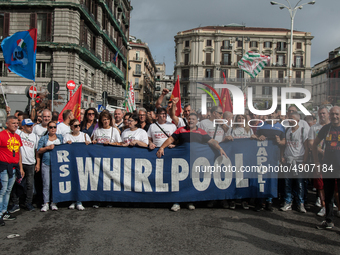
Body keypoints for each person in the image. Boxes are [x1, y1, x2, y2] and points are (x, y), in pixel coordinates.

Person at [156, 113, 228, 212]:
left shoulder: (201, 132)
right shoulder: (180, 130)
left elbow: (211, 141)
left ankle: (190, 201)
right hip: (181, 161)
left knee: (191, 182)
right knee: (179, 182)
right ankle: (177, 202)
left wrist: (219, 148)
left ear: (197, 121)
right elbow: (171, 139)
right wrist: (161, 147)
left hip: (194, 162)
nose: (191, 121)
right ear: (187, 120)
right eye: (189, 119)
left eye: (193, 119)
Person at [313, 106, 340, 229]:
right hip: (328, 166)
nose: (335, 116)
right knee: (328, 195)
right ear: (329, 114)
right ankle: (328, 220)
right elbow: (314, 145)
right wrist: (317, 162)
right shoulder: (325, 128)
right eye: (333, 114)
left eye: (337, 114)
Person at [223, 114, 257, 210]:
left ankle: (243, 200)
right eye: (239, 118)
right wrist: (226, 139)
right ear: (236, 119)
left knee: (244, 179)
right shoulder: (231, 129)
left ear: (245, 120)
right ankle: (233, 200)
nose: (241, 120)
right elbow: (224, 141)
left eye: (242, 118)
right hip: (234, 157)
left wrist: (255, 138)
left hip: (245, 158)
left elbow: (253, 143)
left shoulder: (249, 130)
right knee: (234, 178)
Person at [254, 110, 286, 212]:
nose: (271, 116)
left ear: (276, 115)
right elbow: (253, 138)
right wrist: (258, 137)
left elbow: (284, 143)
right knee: (261, 178)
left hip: (274, 157)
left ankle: (269, 201)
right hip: (261, 156)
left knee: (272, 179)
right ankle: (260, 201)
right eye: (269, 114)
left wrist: (279, 142)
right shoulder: (260, 125)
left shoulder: (281, 127)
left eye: (273, 114)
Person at [280, 112, 309, 213]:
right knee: (287, 182)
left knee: (300, 183)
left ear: (297, 120)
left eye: (291, 119)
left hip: (298, 160)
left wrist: (304, 162)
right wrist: (282, 156)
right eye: (289, 118)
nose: (289, 120)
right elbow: (284, 145)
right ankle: (288, 202)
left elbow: (306, 147)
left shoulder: (302, 130)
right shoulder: (287, 130)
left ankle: (300, 203)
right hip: (288, 160)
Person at [9, 119, 39, 212]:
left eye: (31, 125)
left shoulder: (35, 136)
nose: (31, 127)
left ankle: (28, 203)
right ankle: (15, 203)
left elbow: (36, 151)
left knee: (30, 184)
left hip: (31, 163)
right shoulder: (19, 134)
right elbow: (10, 126)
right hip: (20, 163)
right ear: (23, 127)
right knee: (17, 184)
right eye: (28, 126)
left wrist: (38, 163)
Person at [0, 116, 25, 226]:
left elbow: (19, 153)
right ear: (7, 124)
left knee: (8, 190)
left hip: (14, 167)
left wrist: (21, 167)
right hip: (4, 167)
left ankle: (4, 211)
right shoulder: (1, 135)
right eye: (13, 123)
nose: (16, 125)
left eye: (17, 123)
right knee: (2, 191)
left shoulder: (17, 136)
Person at [63, 119, 91, 211]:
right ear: (71, 127)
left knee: (80, 182)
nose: (78, 127)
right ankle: (72, 200)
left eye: (79, 125)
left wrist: (88, 144)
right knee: (72, 182)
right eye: (75, 126)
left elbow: (91, 149)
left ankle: (79, 201)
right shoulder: (67, 136)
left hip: (82, 162)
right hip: (70, 162)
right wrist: (66, 144)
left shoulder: (85, 135)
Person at [308, 106, 330, 217]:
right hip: (319, 159)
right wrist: (322, 151)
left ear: (328, 114)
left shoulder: (334, 127)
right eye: (320, 113)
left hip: (333, 159)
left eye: (324, 113)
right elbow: (311, 143)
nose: (322, 115)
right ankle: (323, 206)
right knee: (321, 185)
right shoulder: (314, 128)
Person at [37, 121, 63, 212]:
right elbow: (39, 150)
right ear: (48, 129)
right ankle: (46, 203)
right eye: (51, 127)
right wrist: (47, 148)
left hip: (58, 164)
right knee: (46, 184)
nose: (53, 129)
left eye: (54, 127)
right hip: (46, 163)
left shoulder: (60, 137)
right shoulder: (44, 138)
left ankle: (54, 202)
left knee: (55, 184)